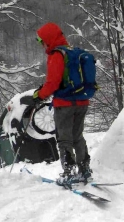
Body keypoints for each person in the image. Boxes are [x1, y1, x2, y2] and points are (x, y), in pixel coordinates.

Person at [32, 22, 92, 185]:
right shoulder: (73, 52)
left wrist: (39, 96)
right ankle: (84, 169)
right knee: (77, 136)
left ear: (49, 39)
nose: (41, 44)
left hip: (65, 104)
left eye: (41, 41)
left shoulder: (56, 55)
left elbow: (53, 83)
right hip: (82, 102)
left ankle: (69, 172)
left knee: (64, 139)